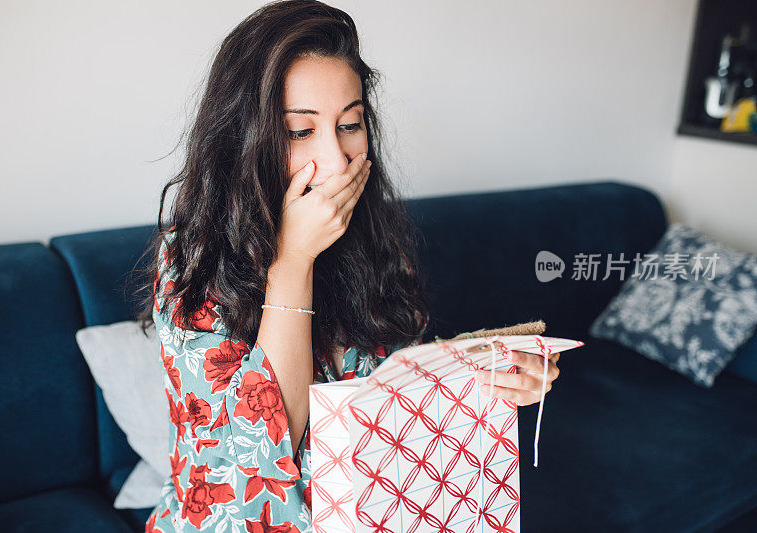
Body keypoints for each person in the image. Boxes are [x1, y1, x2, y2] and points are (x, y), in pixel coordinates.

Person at [136, 1, 561, 531]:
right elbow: (262, 455)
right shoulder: (192, 256)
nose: (338, 161)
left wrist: (488, 377)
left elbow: (389, 390)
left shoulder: (373, 238)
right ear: (243, 139)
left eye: (350, 124)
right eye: (300, 131)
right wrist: (293, 260)